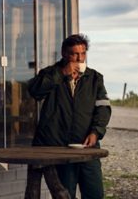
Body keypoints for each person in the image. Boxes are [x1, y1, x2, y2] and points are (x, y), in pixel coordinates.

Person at [28, 34, 111, 199]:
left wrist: (96, 132)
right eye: (75, 54)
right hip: (61, 148)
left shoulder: (95, 78)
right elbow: (35, 92)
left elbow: (103, 108)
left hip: (87, 148)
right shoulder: (50, 73)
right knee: (65, 195)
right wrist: (61, 74)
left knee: (95, 194)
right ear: (64, 53)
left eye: (83, 53)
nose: (80, 58)